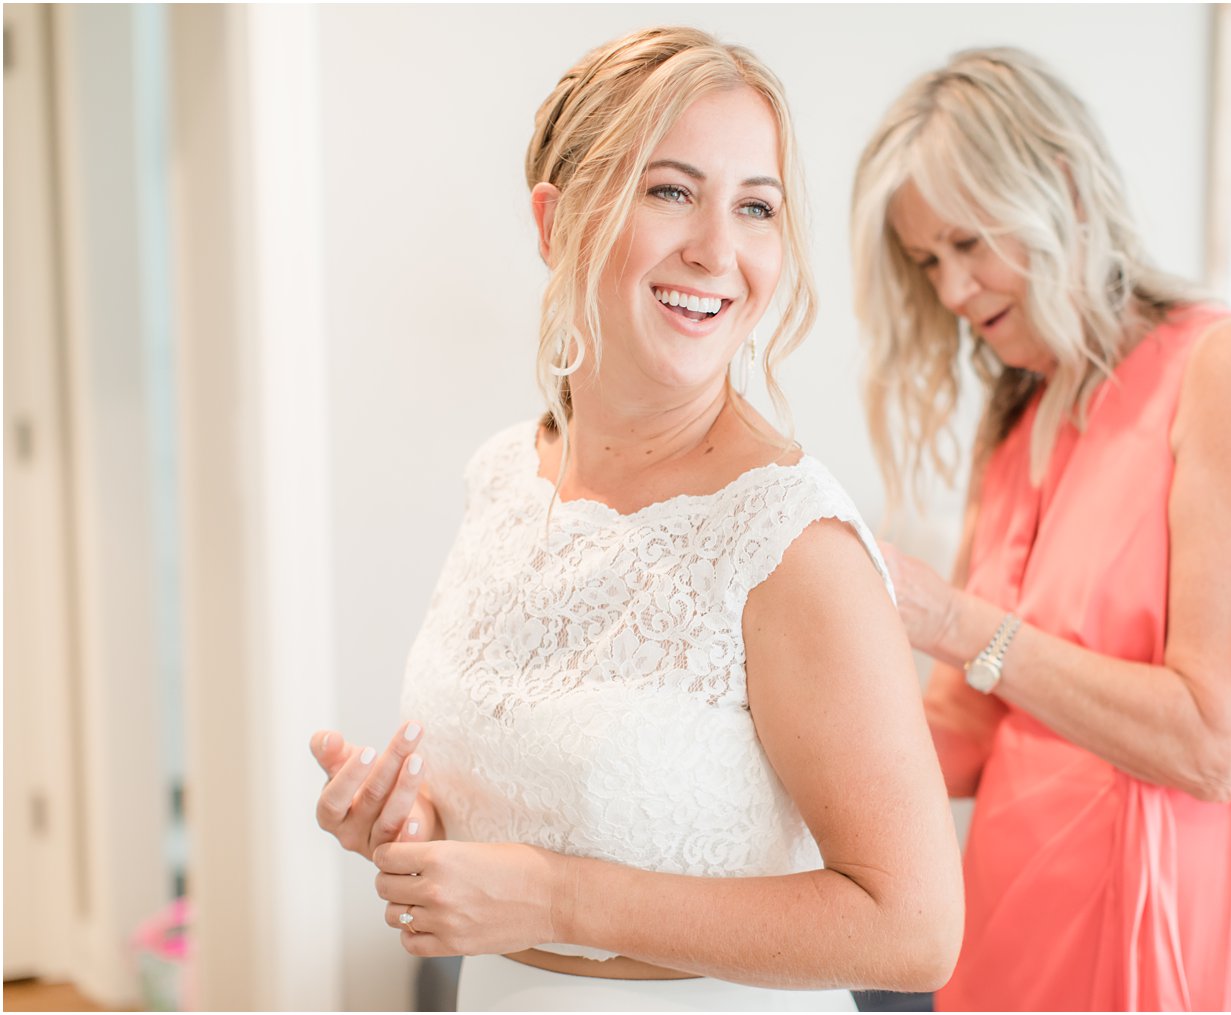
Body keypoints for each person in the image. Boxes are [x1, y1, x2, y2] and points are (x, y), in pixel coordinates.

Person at [308, 26, 963, 1012]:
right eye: (669, 191)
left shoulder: (789, 542)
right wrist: (417, 825)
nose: (716, 249)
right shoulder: (503, 476)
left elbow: (914, 930)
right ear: (554, 221)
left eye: (755, 207)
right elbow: (531, 791)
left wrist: (558, 897)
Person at [850, 48, 1231, 1011]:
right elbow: (964, 725)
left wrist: (948, 619)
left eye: (968, 243)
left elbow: (1214, 742)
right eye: (927, 262)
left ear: (1065, 188)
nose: (952, 292)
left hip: (1205, 949)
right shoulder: (1018, 421)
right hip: (1014, 932)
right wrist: (771, 750)